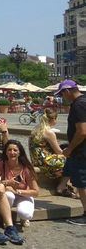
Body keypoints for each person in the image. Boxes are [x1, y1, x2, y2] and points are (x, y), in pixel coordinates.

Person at [56, 79, 86, 225]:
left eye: (62, 94)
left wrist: (70, 148)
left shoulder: (78, 105)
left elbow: (82, 132)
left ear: (67, 91)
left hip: (81, 151)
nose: (62, 97)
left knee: (82, 184)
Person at [0, 140, 39, 228]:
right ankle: (6, 218)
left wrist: (17, 191)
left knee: (25, 214)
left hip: (24, 195)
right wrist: (7, 182)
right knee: (9, 195)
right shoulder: (0, 164)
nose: (12, 152)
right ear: (5, 152)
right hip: (7, 195)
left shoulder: (26, 168)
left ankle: (24, 218)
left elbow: (36, 192)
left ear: (19, 152)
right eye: (9, 150)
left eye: (15, 150)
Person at [29, 108, 72, 196]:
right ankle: (62, 186)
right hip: (46, 161)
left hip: (37, 161)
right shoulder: (49, 133)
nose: (56, 121)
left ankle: (63, 184)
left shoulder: (36, 130)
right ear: (52, 119)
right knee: (74, 160)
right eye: (56, 118)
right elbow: (59, 152)